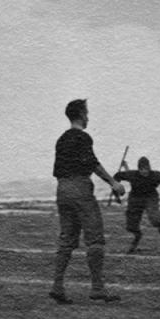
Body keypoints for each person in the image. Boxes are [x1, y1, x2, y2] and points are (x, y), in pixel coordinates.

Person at [49, 99, 125, 304]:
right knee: (95, 239)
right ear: (81, 114)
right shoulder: (83, 137)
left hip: (61, 190)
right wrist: (113, 183)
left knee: (67, 239)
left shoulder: (61, 139)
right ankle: (97, 288)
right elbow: (92, 164)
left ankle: (57, 286)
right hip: (80, 188)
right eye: (87, 113)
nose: (88, 117)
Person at [113, 156, 160, 254]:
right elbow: (116, 176)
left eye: (146, 169)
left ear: (149, 167)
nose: (144, 171)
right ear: (138, 169)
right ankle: (138, 236)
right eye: (142, 169)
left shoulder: (156, 176)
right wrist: (116, 195)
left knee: (156, 219)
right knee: (131, 226)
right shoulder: (132, 174)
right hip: (135, 198)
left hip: (150, 198)